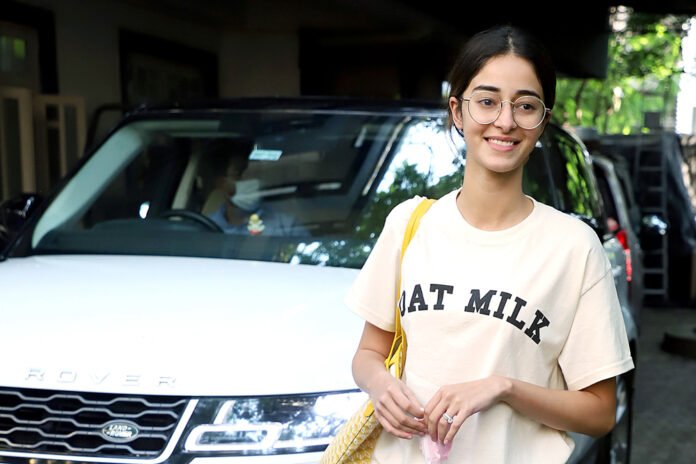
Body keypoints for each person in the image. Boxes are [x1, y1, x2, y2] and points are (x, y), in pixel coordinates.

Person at [345, 25, 634, 463]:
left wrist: (503, 388)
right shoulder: (410, 223)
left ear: (542, 122)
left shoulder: (573, 246)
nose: (505, 121)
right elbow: (369, 354)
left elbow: (599, 412)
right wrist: (381, 386)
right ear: (457, 112)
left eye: (525, 105)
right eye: (487, 101)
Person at [200, 139, 305, 236]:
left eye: (254, 173)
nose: (251, 180)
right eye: (239, 173)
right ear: (221, 183)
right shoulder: (203, 229)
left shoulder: (286, 227)